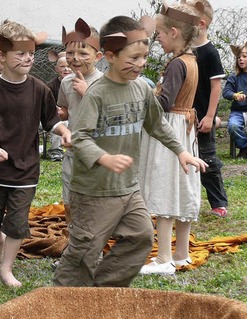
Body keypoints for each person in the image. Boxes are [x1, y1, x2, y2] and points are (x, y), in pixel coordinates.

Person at [52, 15, 207, 287]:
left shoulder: (141, 89)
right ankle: (64, 298)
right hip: (93, 190)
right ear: (110, 56)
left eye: (144, 57)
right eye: (133, 58)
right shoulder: (96, 94)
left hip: (129, 188)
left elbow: (157, 124)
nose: (141, 64)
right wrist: (104, 157)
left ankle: (104, 289)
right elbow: (80, 137)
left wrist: (181, 152)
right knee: (84, 251)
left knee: (141, 237)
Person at [0, 20, 70, 287]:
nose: (28, 58)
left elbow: (51, 120)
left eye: (30, 53)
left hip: (26, 170)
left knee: (17, 221)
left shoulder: (39, 89)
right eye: (21, 54)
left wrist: (65, 132)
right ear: (1, 56)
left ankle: (7, 267)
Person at [137, 2, 203, 276]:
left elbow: (164, 102)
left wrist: (144, 93)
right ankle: (181, 254)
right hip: (185, 127)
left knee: (166, 186)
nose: (158, 39)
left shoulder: (177, 64)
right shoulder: (192, 60)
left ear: (174, 32)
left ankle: (163, 257)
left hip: (172, 129)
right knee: (181, 187)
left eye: (160, 35)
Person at [57, 18, 103, 225]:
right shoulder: (66, 82)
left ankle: (95, 248)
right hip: (73, 151)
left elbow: (109, 116)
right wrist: (56, 114)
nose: (75, 59)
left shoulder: (106, 82)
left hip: (99, 154)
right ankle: (73, 246)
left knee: (95, 204)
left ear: (98, 56)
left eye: (83, 53)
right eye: (70, 53)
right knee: (70, 202)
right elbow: (66, 111)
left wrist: (87, 94)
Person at [191, 0, 229, 218]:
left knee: (208, 161)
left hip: (203, 117)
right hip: (184, 117)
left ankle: (218, 201)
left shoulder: (209, 52)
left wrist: (210, 115)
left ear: (201, 24)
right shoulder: (185, 51)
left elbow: (216, 86)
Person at [45, 50, 72, 162]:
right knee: (59, 123)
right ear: (56, 69)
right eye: (62, 67)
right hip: (56, 116)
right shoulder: (50, 86)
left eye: (68, 66)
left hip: (72, 115)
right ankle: (55, 152)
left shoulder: (77, 82)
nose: (66, 69)